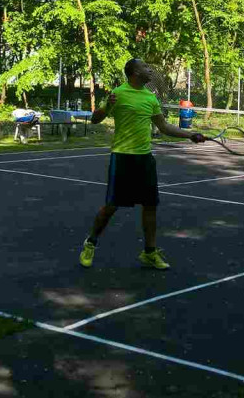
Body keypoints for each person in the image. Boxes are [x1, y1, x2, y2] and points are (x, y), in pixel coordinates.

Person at [79, 58, 205, 270]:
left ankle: (149, 252)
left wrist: (189, 134)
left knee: (150, 206)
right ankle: (90, 242)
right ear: (134, 72)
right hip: (122, 157)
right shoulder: (117, 93)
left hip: (144, 158)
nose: (150, 69)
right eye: (146, 67)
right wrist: (106, 107)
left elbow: (163, 126)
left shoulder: (150, 98)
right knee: (111, 206)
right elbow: (95, 119)